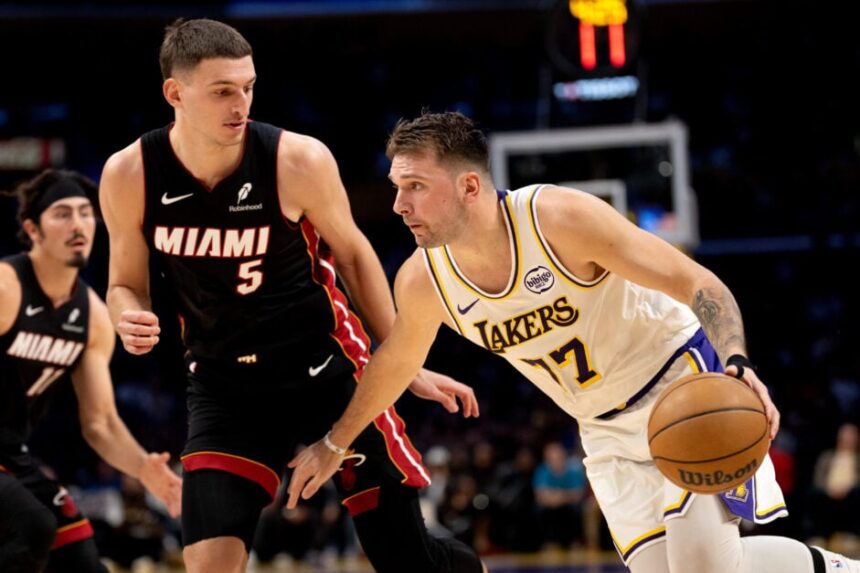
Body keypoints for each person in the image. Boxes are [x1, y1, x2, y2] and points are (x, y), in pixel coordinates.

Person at [288, 111, 860, 573]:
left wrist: (736, 362)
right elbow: (394, 364)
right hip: (603, 429)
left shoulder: (557, 218)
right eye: (396, 187)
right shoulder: (422, 281)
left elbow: (698, 282)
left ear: (468, 186)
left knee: (704, 568)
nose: (398, 205)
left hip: (681, 387)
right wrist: (334, 444)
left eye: (415, 186)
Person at [98, 19, 484, 573]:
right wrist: (126, 316)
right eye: (223, 91)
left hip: (326, 370)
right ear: (174, 93)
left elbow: (353, 255)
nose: (241, 104)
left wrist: (400, 359)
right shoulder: (130, 173)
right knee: (208, 565)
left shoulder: (295, 159)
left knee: (406, 559)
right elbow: (124, 284)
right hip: (222, 384)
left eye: (248, 86)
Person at [0, 169, 182, 572]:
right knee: (32, 525)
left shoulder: (94, 317)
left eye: (85, 213)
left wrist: (144, 469)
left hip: (11, 452)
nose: (78, 223)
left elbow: (99, 422)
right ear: (33, 229)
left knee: (79, 553)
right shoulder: (6, 287)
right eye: (62, 214)